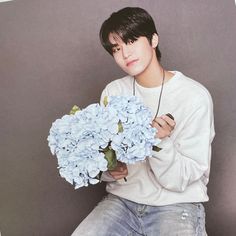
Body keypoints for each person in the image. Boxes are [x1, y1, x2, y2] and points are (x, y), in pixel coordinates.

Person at [72, 7, 215, 236]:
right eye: (117, 49)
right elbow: (104, 157)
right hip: (122, 201)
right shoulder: (114, 91)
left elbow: (182, 180)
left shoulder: (194, 96)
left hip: (175, 204)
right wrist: (109, 169)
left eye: (131, 41)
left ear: (153, 39)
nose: (125, 54)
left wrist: (161, 142)